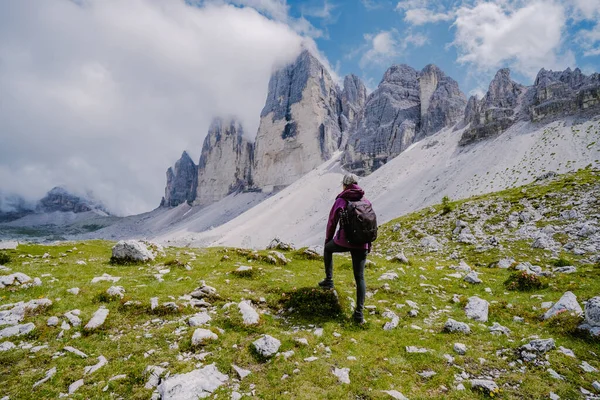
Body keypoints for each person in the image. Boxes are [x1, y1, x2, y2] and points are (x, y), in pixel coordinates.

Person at [319, 173, 372, 324]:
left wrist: (329, 239)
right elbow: (369, 225)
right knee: (360, 277)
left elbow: (331, 223)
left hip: (345, 241)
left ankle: (329, 280)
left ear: (344, 185)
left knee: (328, 249)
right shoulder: (365, 200)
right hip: (362, 243)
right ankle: (359, 315)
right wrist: (368, 245)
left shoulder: (341, 200)